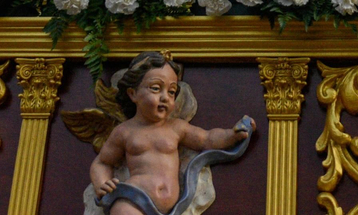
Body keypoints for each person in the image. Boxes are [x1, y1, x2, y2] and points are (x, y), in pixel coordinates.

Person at [90, 52, 251, 215]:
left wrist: (232, 134)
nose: (165, 97)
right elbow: (102, 163)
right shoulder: (124, 131)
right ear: (133, 94)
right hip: (133, 200)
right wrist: (102, 184)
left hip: (174, 208)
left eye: (172, 92)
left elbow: (207, 139)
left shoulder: (176, 128)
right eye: (155, 88)